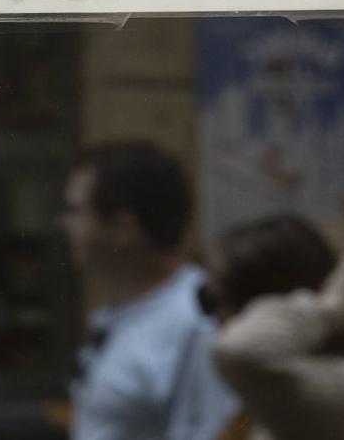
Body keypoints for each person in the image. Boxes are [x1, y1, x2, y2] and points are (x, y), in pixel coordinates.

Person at [59, 141, 237, 440]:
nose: (64, 223)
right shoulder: (125, 310)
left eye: (77, 211)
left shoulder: (196, 318)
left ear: (124, 226)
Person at [203, 215, 344, 440]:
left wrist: (327, 308)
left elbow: (239, 350)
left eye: (215, 300)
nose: (214, 317)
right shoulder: (280, 386)